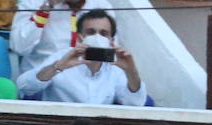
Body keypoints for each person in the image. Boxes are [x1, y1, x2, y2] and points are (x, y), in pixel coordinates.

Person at [16, 7, 145, 105]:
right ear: (79, 37)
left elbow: (135, 103)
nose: (97, 37)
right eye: (91, 32)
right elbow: (24, 87)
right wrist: (58, 67)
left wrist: (131, 71)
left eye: (103, 33)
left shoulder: (116, 65)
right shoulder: (63, 57)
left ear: (111, 39)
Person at [10, 0, 83, 89]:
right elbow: (19, 47)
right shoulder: (32, 3)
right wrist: (44, 11)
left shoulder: (98, 3)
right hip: (41, 80)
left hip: (81, 79)